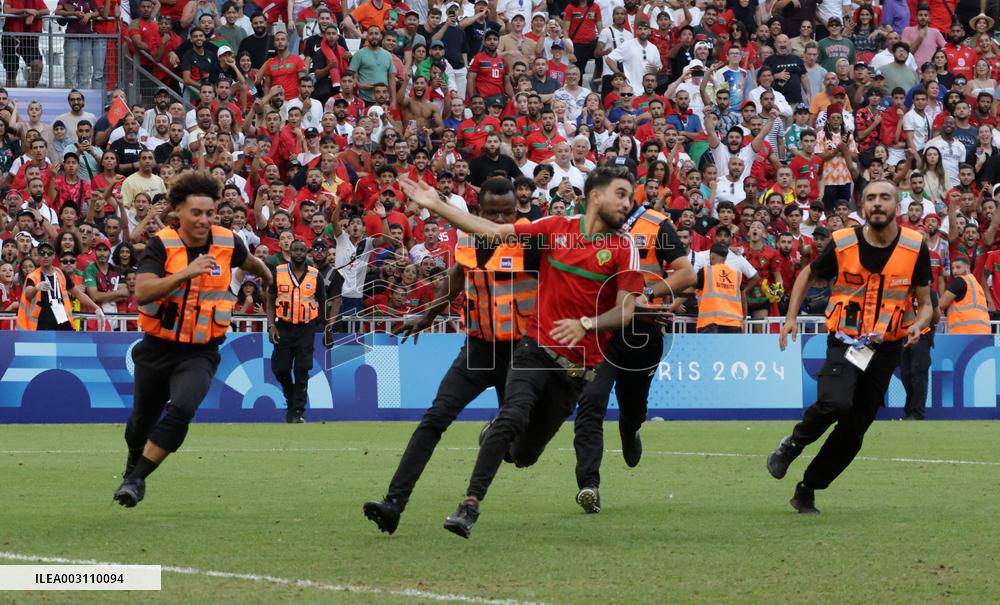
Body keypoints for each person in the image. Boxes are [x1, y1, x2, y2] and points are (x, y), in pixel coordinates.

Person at [398, 167, 643, 538]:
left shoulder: (625, 248)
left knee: (524, 454)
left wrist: (587, 325)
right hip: (535, 349)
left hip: (576, 372)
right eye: (622, 194)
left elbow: (626, 311)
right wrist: (435, 204)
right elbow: (492, 232)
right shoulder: (554, 229)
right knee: (512, 415)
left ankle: (498, 439)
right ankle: (470, 505)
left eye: (630, 196)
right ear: (596, 195)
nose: (628, 203)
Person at [362, 177, 538, 535]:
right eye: (493, 212)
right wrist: (427, 316)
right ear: (479, 212)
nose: (501, 219)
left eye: (508, 211)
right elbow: (457, 277)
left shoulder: (529, 240)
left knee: (520, 452)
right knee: (435, 417)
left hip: (519, 352)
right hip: (477, 348)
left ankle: (498, 433)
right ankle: (394, 503)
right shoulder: (470, 240)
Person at [769, 179, 934, 514]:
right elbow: (806, 275)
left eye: (884, 197)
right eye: (870, 197)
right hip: (845, 341)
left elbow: (925, 302)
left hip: (886, 349)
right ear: (863, 206)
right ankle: (793, 444)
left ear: (896, 207)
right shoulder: (844, 242)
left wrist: (918, 324)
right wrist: (790, 317)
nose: (877, 203)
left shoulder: (915, 246)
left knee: (855, 428)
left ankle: (808, 488)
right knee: (834, 403)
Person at [113, 172, 272, 508]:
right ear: (177, 213)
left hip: (201, 352)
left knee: (183, 408)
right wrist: (186, 272)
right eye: (195, 213)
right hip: (157, 348)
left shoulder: (228, 241)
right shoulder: (162, 244)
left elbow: (250, 262)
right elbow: (141, 293)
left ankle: (137, 478)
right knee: (140, 424)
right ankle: (133, 464)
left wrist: (268, 275)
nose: (204, 220)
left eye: (209, 213)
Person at [572, 199, 694, 513]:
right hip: (602, 331)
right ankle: (589, 484)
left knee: (633, 404)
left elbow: (686, 274)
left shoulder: (657, 226)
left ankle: (631, 428)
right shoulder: (586, 227)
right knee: (591, 401)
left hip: (642, 332)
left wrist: (649, 295)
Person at [266, 239, 328, 423]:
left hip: (306, 326)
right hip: (283, 325)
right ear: (289, 252)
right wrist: (271, 325)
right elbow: (269, 298)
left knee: (302, 369)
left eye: (302, 250)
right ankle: (291, 398)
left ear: (306, 252)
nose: (299, 253)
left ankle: (297, 411)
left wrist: (327, 326)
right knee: (280, 368)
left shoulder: (315, 275)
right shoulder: (279, 271)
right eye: (296, 250)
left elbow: (323, 300)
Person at [16, 240, 101, 330]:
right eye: (42, 253)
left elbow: (78, 294)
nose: (46, 256)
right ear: (38, 257)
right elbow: (28, 294)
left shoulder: (60, 273)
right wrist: (36, 288)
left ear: (53, 256)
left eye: (49, 253)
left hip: (63, 324)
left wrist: (96, 308)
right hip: (43, 327)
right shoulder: (33, 276)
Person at [940, 255, 990, 335]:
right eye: (952, 268)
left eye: (958, 267)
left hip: (964, 333)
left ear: (967, 268)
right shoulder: (976, 284)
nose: (954, 271)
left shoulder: (960, 281)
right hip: (983, 332)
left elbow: (941, 304)